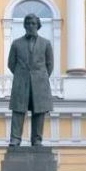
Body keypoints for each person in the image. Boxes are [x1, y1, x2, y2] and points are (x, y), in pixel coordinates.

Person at [7, 13, 54, 147]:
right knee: (18, 111)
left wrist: (41, 77)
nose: (30, 26)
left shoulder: (46, 43)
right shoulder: (16, 43)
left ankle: (37, 140)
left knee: (39, 112)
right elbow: (11, 64)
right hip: (21, 82)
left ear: (38, 25)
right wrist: (22, 75)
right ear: (24, 26)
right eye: (28, 23)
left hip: (40, 83)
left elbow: (50, 64)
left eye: (33, 23)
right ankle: (15, 139)